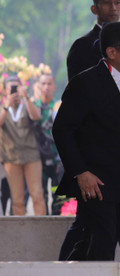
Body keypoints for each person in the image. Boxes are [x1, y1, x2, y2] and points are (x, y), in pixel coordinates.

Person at [53, 22, 120, 261]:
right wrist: (81, 172)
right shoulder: (86, 83)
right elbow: (62, 130)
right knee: (101, 250)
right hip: (96, 184)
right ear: (112, 52)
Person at [0, 76, 47, 216]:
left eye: (17, 87)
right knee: (17, 199)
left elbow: (36, 116)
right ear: (4, 91)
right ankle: (21, 232)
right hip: (11, 158)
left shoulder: (27, 104)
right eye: (11, 88)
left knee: (37, 194)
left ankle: (41, 227)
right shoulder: (3, 107)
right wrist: (6, 105)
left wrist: (26, 98)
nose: (15, 91)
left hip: (31, 156)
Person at [66, 0, 120, 81]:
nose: (113, 8)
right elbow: (76, 88)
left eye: (117, 2)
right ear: (94, 9)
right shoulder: (82, 45)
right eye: (106, 2)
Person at [32, 74, 64, 215]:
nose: (46, 87)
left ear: (54, 86)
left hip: (57, 159)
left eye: (49, 83)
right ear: (38, 86)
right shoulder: (32, 107)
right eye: (43, 83)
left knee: (58, 197)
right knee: (41, 197)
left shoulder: (59, 107)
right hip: (37, 160)